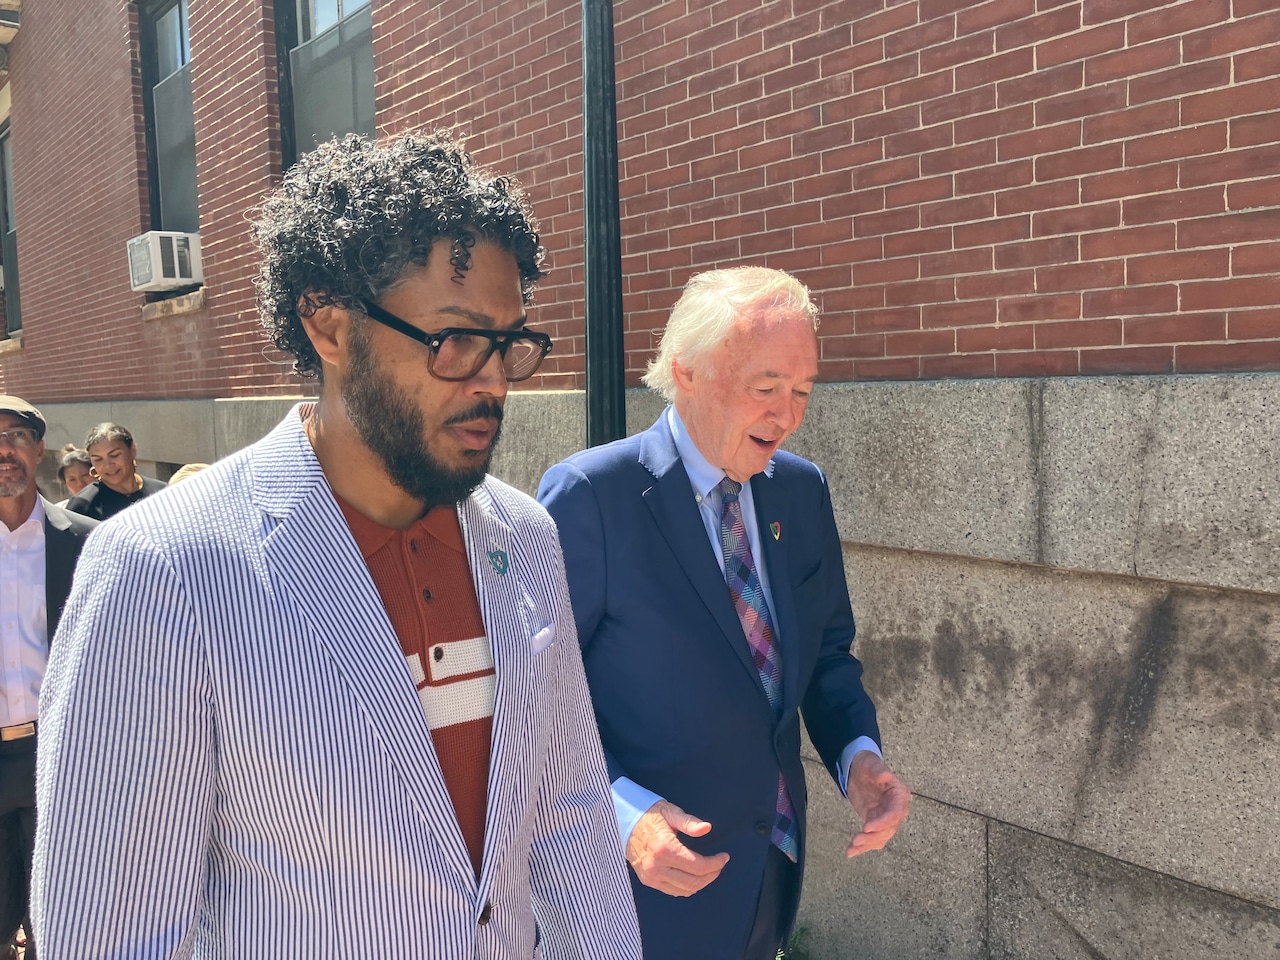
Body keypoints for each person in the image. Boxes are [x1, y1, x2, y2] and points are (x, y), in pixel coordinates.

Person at [32, 133, 642, 959]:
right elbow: (113, 932)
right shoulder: (162, 569)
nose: (493, 380)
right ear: (329, 326)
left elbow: (570, 823)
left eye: (508, 344)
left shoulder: (525, 537)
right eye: (457, 340)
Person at [538, 267, 911, 960]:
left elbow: (826, 653)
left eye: (802, 391)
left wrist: (858, 756)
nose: (787, 415)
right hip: (637, 888)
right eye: (765, 389)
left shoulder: (800, 490)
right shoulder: (591, 495)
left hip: (767, 870)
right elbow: (537, 697)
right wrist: (621, 814)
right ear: (685, 371)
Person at [0, 397, 98, 960]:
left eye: (16, 435)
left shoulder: (89, 542)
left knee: (59, 926)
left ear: (39, 449)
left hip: (59, 760)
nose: (4, 450)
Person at [63, 423, 166, 520]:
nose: (108, 465)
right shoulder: (82, 506)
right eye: (98, 459)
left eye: (114, 455)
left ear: (132, 450)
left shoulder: (162, 492)